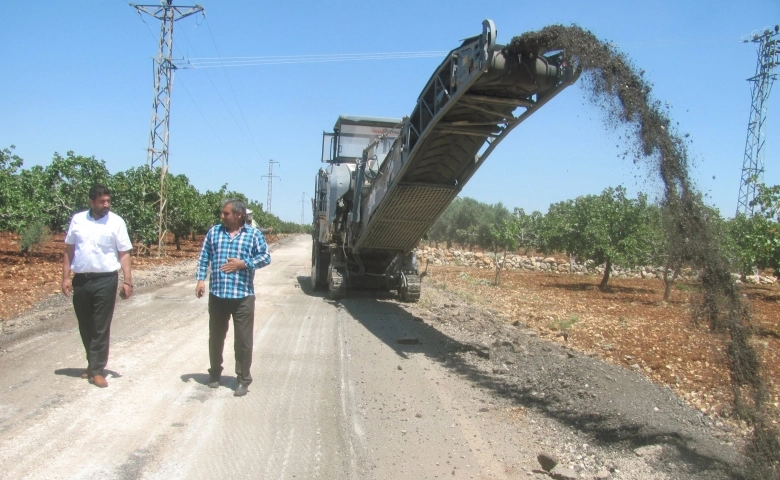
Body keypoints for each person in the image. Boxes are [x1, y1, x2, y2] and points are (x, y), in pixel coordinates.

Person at [196, 199, 271, 397]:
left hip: (242, 297)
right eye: (222, 213)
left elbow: (265, 257)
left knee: (243, 341)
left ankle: (243, 379)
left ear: (238, 215)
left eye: (226, 213)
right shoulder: (214, 232)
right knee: (216, 337)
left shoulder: (253, 234)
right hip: (218, 295)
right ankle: (215, 373)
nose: (222, 216)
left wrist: (243, 264)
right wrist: (200, 280)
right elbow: (204, 256)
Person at [61, 184, 134, 388]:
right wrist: (65, 277)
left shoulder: (116, 222)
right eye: (102, 201)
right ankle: (92, 364)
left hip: (105, 280)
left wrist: (127, 281)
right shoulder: (77, 220)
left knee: (100, 325)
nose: (106, 205)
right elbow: (69, 250)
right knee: (85, 324)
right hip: (82, 280)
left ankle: (98, 370)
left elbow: (124, 253)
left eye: (108, 201)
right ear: (91, 202)